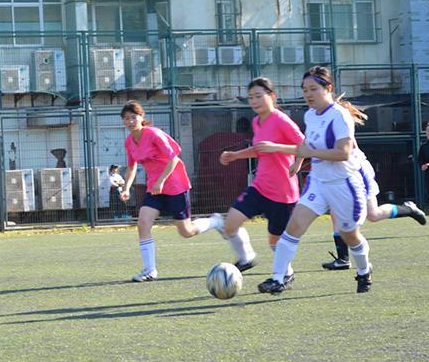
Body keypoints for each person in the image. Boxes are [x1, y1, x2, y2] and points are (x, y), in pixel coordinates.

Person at [255, 66, 373, 294]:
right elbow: (308, 145)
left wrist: (308, 154)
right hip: (318, 182)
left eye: (313, 89)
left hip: (344, 184)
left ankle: (364, 271)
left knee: (350, 235)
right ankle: (278, 278)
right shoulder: (310, 115)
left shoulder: (339, 116)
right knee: (293, 227)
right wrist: (298, 161)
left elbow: (343, 153)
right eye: (304, 89)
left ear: (328, 88)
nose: (308, 94)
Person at [118, 101, 222, 282]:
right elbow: (131, 167)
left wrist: (161, 181)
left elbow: (174, 158)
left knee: (186, 231)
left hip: (175, 186)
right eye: (126, 118)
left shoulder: (154, 134)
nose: (130, 121)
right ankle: (150, 270)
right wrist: (126, 188)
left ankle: (215, 221)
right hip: (155, 189)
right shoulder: (129, 141)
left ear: (142, 118)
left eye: (133, 117)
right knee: (143, 223)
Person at [215, 77, 304, 284]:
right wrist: (235, 155)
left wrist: (296, 163)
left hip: (283, 193)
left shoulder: (281, 120)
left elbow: (304, 144)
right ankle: (246, 258)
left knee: (275, 241)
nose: (254, 101)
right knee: (230, 224)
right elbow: (260, 149)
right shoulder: (257, 121)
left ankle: (287, 272)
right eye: (250, 97)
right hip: (259, 187)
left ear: (272, 96)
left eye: (258, 96)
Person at [319, 147, 429, 271]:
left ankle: (408, 209)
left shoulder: (340, 128)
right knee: (336, 212)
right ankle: (343, 259)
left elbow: (346, 149)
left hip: (356, 171)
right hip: (339, 173)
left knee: (373, 215)